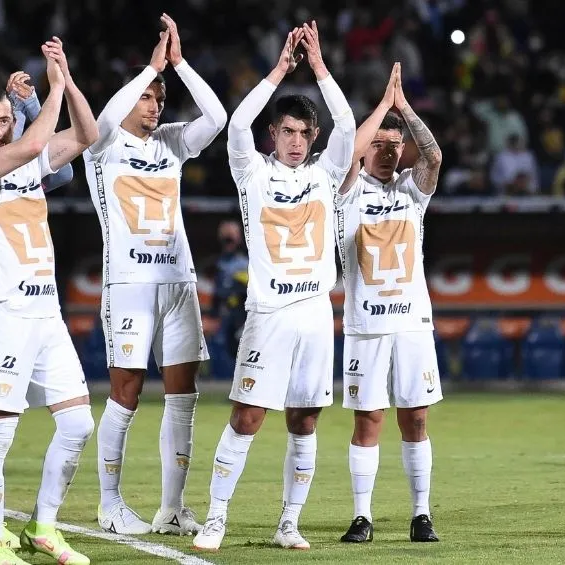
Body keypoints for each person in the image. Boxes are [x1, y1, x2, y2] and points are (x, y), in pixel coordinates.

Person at [192, 22, 355, 551]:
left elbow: (349, 127)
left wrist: (322, 70)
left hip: (314, 313)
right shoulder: (253, 174)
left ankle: (289, 523)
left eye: (304, 134)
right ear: (274, 135)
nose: (296, 141)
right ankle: (216, 518)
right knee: (247, 417)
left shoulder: (324, 175)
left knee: (304, 420)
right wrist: (280, 72)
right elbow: (236, 126)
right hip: (269, 313)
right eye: (287, 132)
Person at [0, 38, 98, 565]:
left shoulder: (25, 164)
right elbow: (35, 145)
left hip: (47, 314)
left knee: (79, 424)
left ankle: (43, 525)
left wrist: (67, 79)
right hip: (4, 313)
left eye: (3, 120)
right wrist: (51, 93)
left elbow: (88, 134)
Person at [83, 13, 227, 536]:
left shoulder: (171, 142)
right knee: (125, 389)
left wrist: (180, 64)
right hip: (128, 284)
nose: (155, 105)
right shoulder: (101, 143)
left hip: (178, 280)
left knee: (182, 393)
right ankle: (109, 503)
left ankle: (171, 506)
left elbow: (219, 116)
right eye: (148, 97)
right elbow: (105, 114)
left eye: (159, 98)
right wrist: (148, 67)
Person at [335, 63, 442, 544]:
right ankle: (363, 516)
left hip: (413, 325)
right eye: (378, 144)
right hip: (365, 326)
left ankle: (421, 514)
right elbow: (345, 156)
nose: (386, 151)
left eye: (394, 146)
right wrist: (381, 109)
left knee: (415, 418)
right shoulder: (348, 193)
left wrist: (405, 112)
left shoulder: (410, 193)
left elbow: (434, 157)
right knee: (369, 420)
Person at [212, 220, 249, 363]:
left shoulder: (245, 263)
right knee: (230, 350)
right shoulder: (218, 263)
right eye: (225, 239)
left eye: (231, 238)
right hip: (227, 315)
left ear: (239, 239)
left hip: (243, 315)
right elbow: (217, 293)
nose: (228, 243)